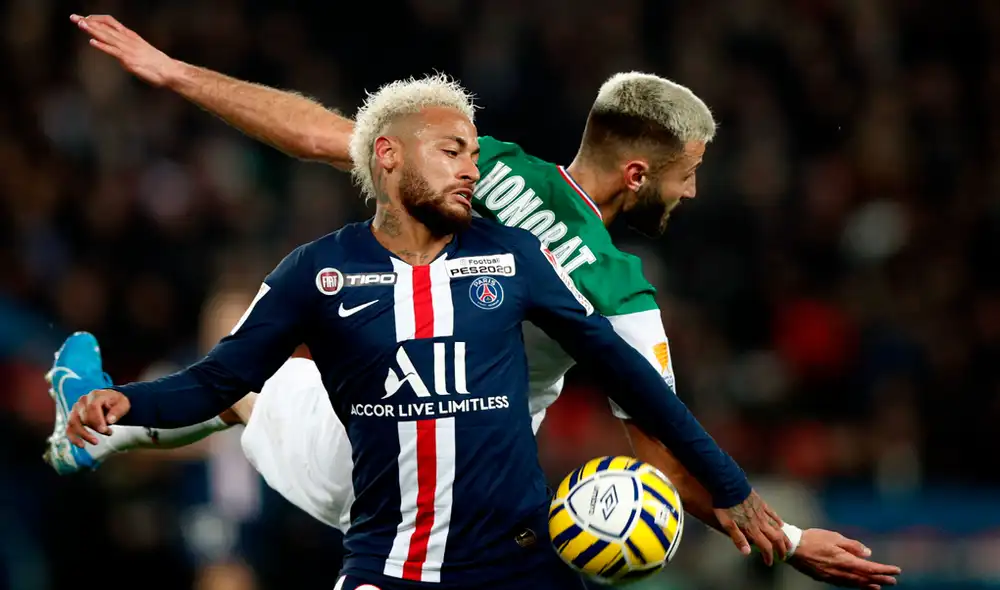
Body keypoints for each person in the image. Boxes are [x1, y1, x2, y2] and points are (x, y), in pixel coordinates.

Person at [52, 14, 902, 588]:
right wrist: (784, 541)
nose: (690, 195)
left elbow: (314, 130)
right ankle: (99, 427)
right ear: (638, 174)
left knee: (248, 359)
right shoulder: (617, 287)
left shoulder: (487, 165)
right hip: (456, 505)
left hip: (382, 471)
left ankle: (97, 426)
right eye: (688, 176)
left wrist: (174, 73)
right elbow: (663, 448)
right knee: (254, 368)